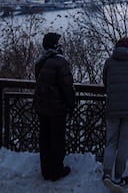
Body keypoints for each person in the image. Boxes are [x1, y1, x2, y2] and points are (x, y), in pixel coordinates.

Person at [102, 36, 128, 190]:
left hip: (112, 106)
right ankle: (118, 177)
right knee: (124, 145)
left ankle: (107, 174)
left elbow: (105, 82)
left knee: (111, 142)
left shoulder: (109, 62)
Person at [33, 31, 75, 182]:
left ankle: (46, 170)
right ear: (54, 45)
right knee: (57, 139)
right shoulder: (60, 62)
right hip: (56, 108)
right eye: (58, 42)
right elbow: (66, 86)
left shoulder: (40, 61)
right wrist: (71, 105)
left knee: (44, 138)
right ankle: (56, 170)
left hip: (41, 106)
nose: (60, 45)